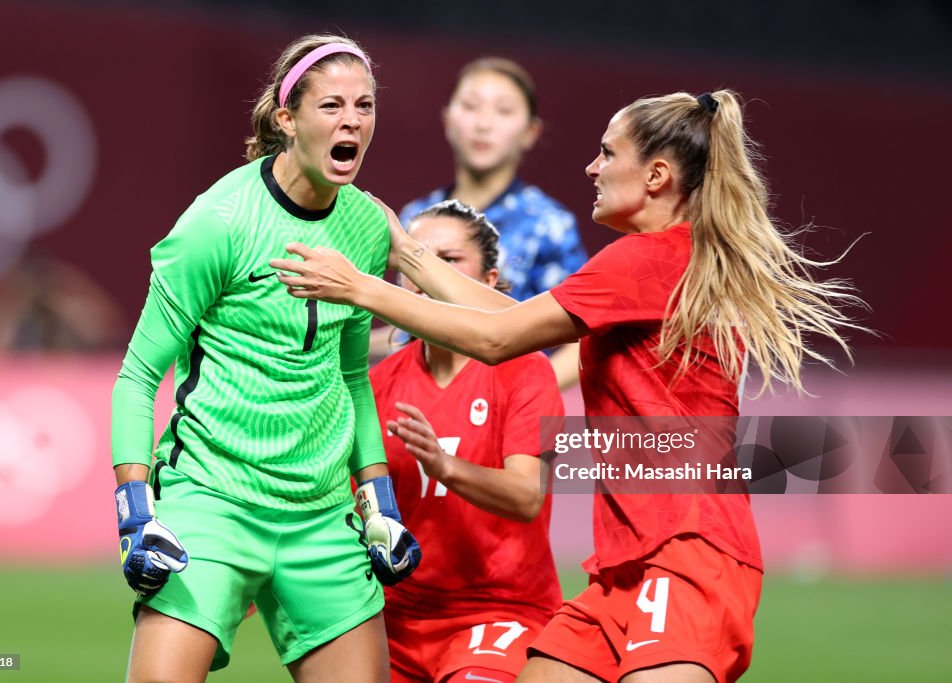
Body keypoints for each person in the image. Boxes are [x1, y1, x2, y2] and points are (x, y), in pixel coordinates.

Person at [272, 90, 866, 682]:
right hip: (624, 564)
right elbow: (513, 319)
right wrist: (406, 251)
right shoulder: (656, 260)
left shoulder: (645, 261)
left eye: (608, 153)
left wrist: (363, 289)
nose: (593, 167)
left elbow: (497, 340)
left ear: (656, 175)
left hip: (686, 551)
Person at [109, 34, 420, 683]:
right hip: (213, 502)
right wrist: (136, 514)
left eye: (364, 106)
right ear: (286, 118)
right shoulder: (217, 222)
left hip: (322, 516)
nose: (352, 121)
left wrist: (380, 502)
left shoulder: (368, 227)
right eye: (331, 105)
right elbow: (139, 376)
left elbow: (352, 375)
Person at [371, 200, 564, 683]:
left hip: (499, 611)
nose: (424, 275)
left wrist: (445, 466)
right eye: (412, 260)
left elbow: (525, 497)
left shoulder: (525, 371)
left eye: (448, 260)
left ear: (490, 282)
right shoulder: (377, 383)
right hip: (392, 619)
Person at [378, 57, 588, 388]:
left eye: (503, 111)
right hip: (418, 404)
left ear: (531, 132)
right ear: (447, 119)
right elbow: (404, 330)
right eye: (471, 107)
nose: (483, 124)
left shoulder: (549, 224)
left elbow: (582, 331)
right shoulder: (412, 217)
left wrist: (529, 395)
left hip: (502, 406)